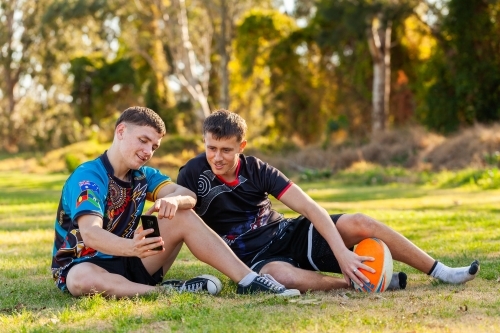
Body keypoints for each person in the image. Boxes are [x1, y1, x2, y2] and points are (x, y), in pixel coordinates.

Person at [177, 109, 480, 293]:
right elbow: (183, 207)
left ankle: (441, 272)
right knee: (280, 276)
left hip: (286, 234)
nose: (217, 157)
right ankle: (362, 284)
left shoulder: (257, 169)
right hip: (253, 259)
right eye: (211, 148)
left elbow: (310, 208)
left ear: (241, 146)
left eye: (226, 150)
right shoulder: (192, 172)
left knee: (360, 222)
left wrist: (343, 255)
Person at [51, 106, 300, 298]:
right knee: (80, 280)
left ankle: (249, 281)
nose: (149, 151)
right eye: (143, 140)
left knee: (181, 212)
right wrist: (133, 247)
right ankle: (169, 291)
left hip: (133, 262)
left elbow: (188, 194)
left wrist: (175, 200)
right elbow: (91, 234)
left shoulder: (144, 176)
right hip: (84, 265)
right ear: (121, 131)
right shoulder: (89, 177)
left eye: (155, 146)